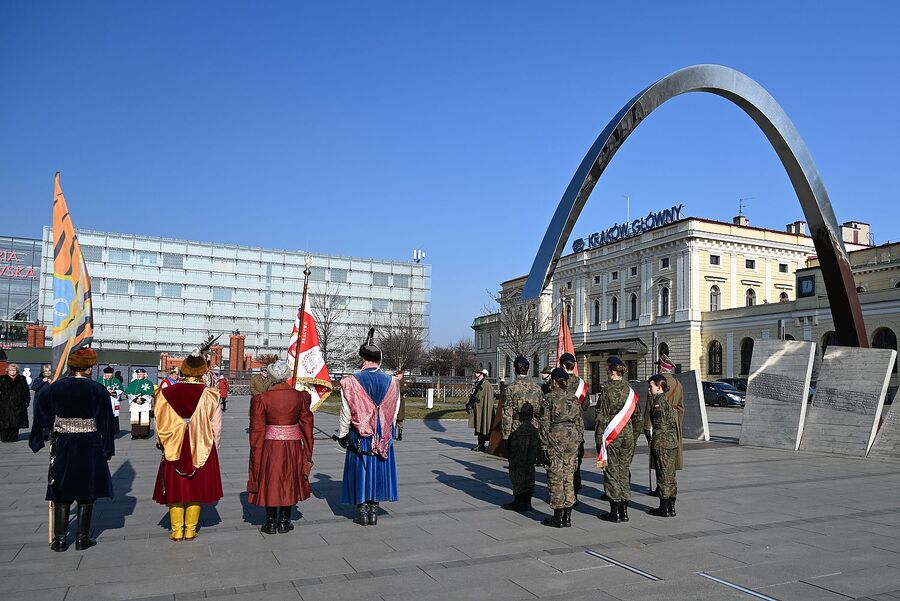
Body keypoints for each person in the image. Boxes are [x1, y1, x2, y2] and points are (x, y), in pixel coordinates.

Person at [29, 348, 116, 551]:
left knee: (61, 487)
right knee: (87, 490)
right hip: (89, 443)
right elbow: (106, 423)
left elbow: (41, 412)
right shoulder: (97, 390)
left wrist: (42, 435)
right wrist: (107, 448)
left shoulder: (54, 388)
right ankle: (81, 538)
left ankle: (59, 539)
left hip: (63, 443)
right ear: (88, 369)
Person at [152, 351, 223, 541]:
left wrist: (161, 441)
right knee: (196, 488)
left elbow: (158, 422)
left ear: (183, 371)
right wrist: (214, 445)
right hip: (201, 444)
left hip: (173, 444)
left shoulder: (165, 392)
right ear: (202, 372)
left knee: (174, 487)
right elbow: (216, 425)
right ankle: (190, 529)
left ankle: (176, 530)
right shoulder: (211, 395)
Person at [337, 328, 400, 526]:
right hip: (382, 434)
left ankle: (362, 511)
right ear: (378, 360)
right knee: (379, 470)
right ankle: (374, 510)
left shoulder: (350, 381)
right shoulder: (392, 382)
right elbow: (394, 412)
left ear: (362, 358)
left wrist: (342, 434)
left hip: (360, 434)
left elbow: (346, 411)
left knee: (361, 470)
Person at [248, 360, 314, 534]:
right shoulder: (300, 397)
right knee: (290, 478)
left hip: (270, 445)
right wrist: (308, 450)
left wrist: (255, 450)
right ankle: (284, 521)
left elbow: (257, 429)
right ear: (287, 375)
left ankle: (270, 522)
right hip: (292, 445)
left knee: (270, 479)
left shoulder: (261, 398)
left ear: (270, 376)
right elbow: (307, 425)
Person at [595, 357, 641, 523]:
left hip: (612, 435)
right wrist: (633, 436)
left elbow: (601, 416)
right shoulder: (631, 391)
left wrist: (599, 440)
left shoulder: (607, 390)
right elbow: (638, 417)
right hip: (627, 434)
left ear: (612, 372)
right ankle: (625, 511)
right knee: (624, 471)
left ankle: (614, 512)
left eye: (608, 370)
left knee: (611, 471)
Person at [538, 368, 580, 528]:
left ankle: (558, 516)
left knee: (555, 477)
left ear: (554, 381)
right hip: (571, 439)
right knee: (569, 476)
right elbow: (579, 422)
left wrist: (543, 446)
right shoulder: (573, 398)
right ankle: (568, 516)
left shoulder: (549, 398)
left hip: (555, 439)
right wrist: (578, 440)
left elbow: (544, 424)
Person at [500, 356, 541, 512]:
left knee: (517, 466)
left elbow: (507, 414)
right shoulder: (537, 388)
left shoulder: (511, 388)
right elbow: (540, 413)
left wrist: (505, 436)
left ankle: (519, 499)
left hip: (517, 431)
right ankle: (528, 499)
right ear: (528, 369)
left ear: (516, 369)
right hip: (532, 430)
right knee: (530, 465)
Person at [642, 354, 684, 497]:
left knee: (660, 459)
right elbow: (681, 408)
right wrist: (676, 422)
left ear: (661, 367)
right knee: (670, 461)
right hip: (674, 424)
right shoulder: (678, 384)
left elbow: (649, 408)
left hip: (658, 425)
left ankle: (661, 489)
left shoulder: (656, 384)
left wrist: (646, 427)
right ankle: (669, 489)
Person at [645, 374, 679, 517]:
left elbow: (659, 425)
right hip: (671, 442)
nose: (649, 389)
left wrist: (653, 440)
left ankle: (663, 507)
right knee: (670, 475)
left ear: (659, 388)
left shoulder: (658, 403)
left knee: (663, 474)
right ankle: (671, 506)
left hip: (663, 442)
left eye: (651, 386)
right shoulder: (666, 400)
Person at [558, 352, 587, 506]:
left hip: (559, 431)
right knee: (576, 462)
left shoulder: (558, 382)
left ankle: (563, 495)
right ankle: (575, 493)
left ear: (563, 365)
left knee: (560, 464)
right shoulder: (582, 384)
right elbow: (587, 405)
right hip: (578, 430)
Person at [0, 363, 31, 442]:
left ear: (16, 371)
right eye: (11, 370)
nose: (12, 372)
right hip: (4, 404)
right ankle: (4, 438)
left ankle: (13, 438)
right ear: (8, 371)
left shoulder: (21, 378)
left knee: (16, 422)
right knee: (4, 422)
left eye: (14, 370)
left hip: (18, 404)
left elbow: (26, 391)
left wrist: (26, 401)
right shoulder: (2, 378)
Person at [466, 369, 494, 452]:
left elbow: (488, 398)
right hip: (477, 407)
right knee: (478, 425)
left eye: (478, 372)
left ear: (482, 374)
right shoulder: (477, 383)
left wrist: (479, 402)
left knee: (482, 425)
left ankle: (481, 444)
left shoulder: (487, 385)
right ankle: (480, 444)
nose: (476, 373)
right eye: (475, 372)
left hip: (482, 408)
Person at [125, 369, 154, 439]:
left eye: (141, 374)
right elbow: (128, 393)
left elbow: (150, 393)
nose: (139, 375)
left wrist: (142, 399)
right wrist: (135, 399)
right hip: (135, 403)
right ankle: (135, 434)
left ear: (144, 374)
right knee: (135, 418)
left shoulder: (149, 382)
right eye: (138, 374)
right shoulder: (133, 382)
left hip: (145, 403)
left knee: (145, 418)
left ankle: (144, 434)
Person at [394, 370, 406, 441]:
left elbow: (403, 390)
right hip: (394, 401)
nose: (396, 377)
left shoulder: (402, 382)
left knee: (400, 420)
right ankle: (393, 434)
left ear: (401, 375)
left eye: (397, 375)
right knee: (394, 420)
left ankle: (400, 434)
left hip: (400, 402)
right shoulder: (395, 381)